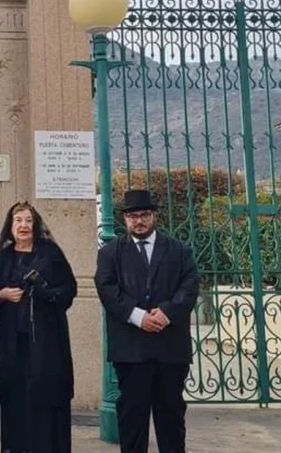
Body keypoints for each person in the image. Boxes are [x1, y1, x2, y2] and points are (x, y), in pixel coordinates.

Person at [94, 189, 200, 453]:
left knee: (171, 418)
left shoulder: (178, 250)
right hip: (131, 349)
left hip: (170, 348)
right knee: (132, 419)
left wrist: (166, 312)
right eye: (132, 216)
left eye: (143, 215)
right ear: (125, 219)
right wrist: (138, 316)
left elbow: (189, 285)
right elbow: (106, 287)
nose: (138, 221)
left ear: (154, 216)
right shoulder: (110, 252)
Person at [0, 202, 76, 453]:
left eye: (28, 221)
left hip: (47, 345)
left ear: (35, 225)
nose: (23, 226)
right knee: (15, 401)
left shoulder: (50, 254)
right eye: (18, 221)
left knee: (45, 400)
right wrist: (1, 295)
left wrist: (46, 292)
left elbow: (69, 290)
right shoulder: (4, 257)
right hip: (12, 345)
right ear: (10, 225)